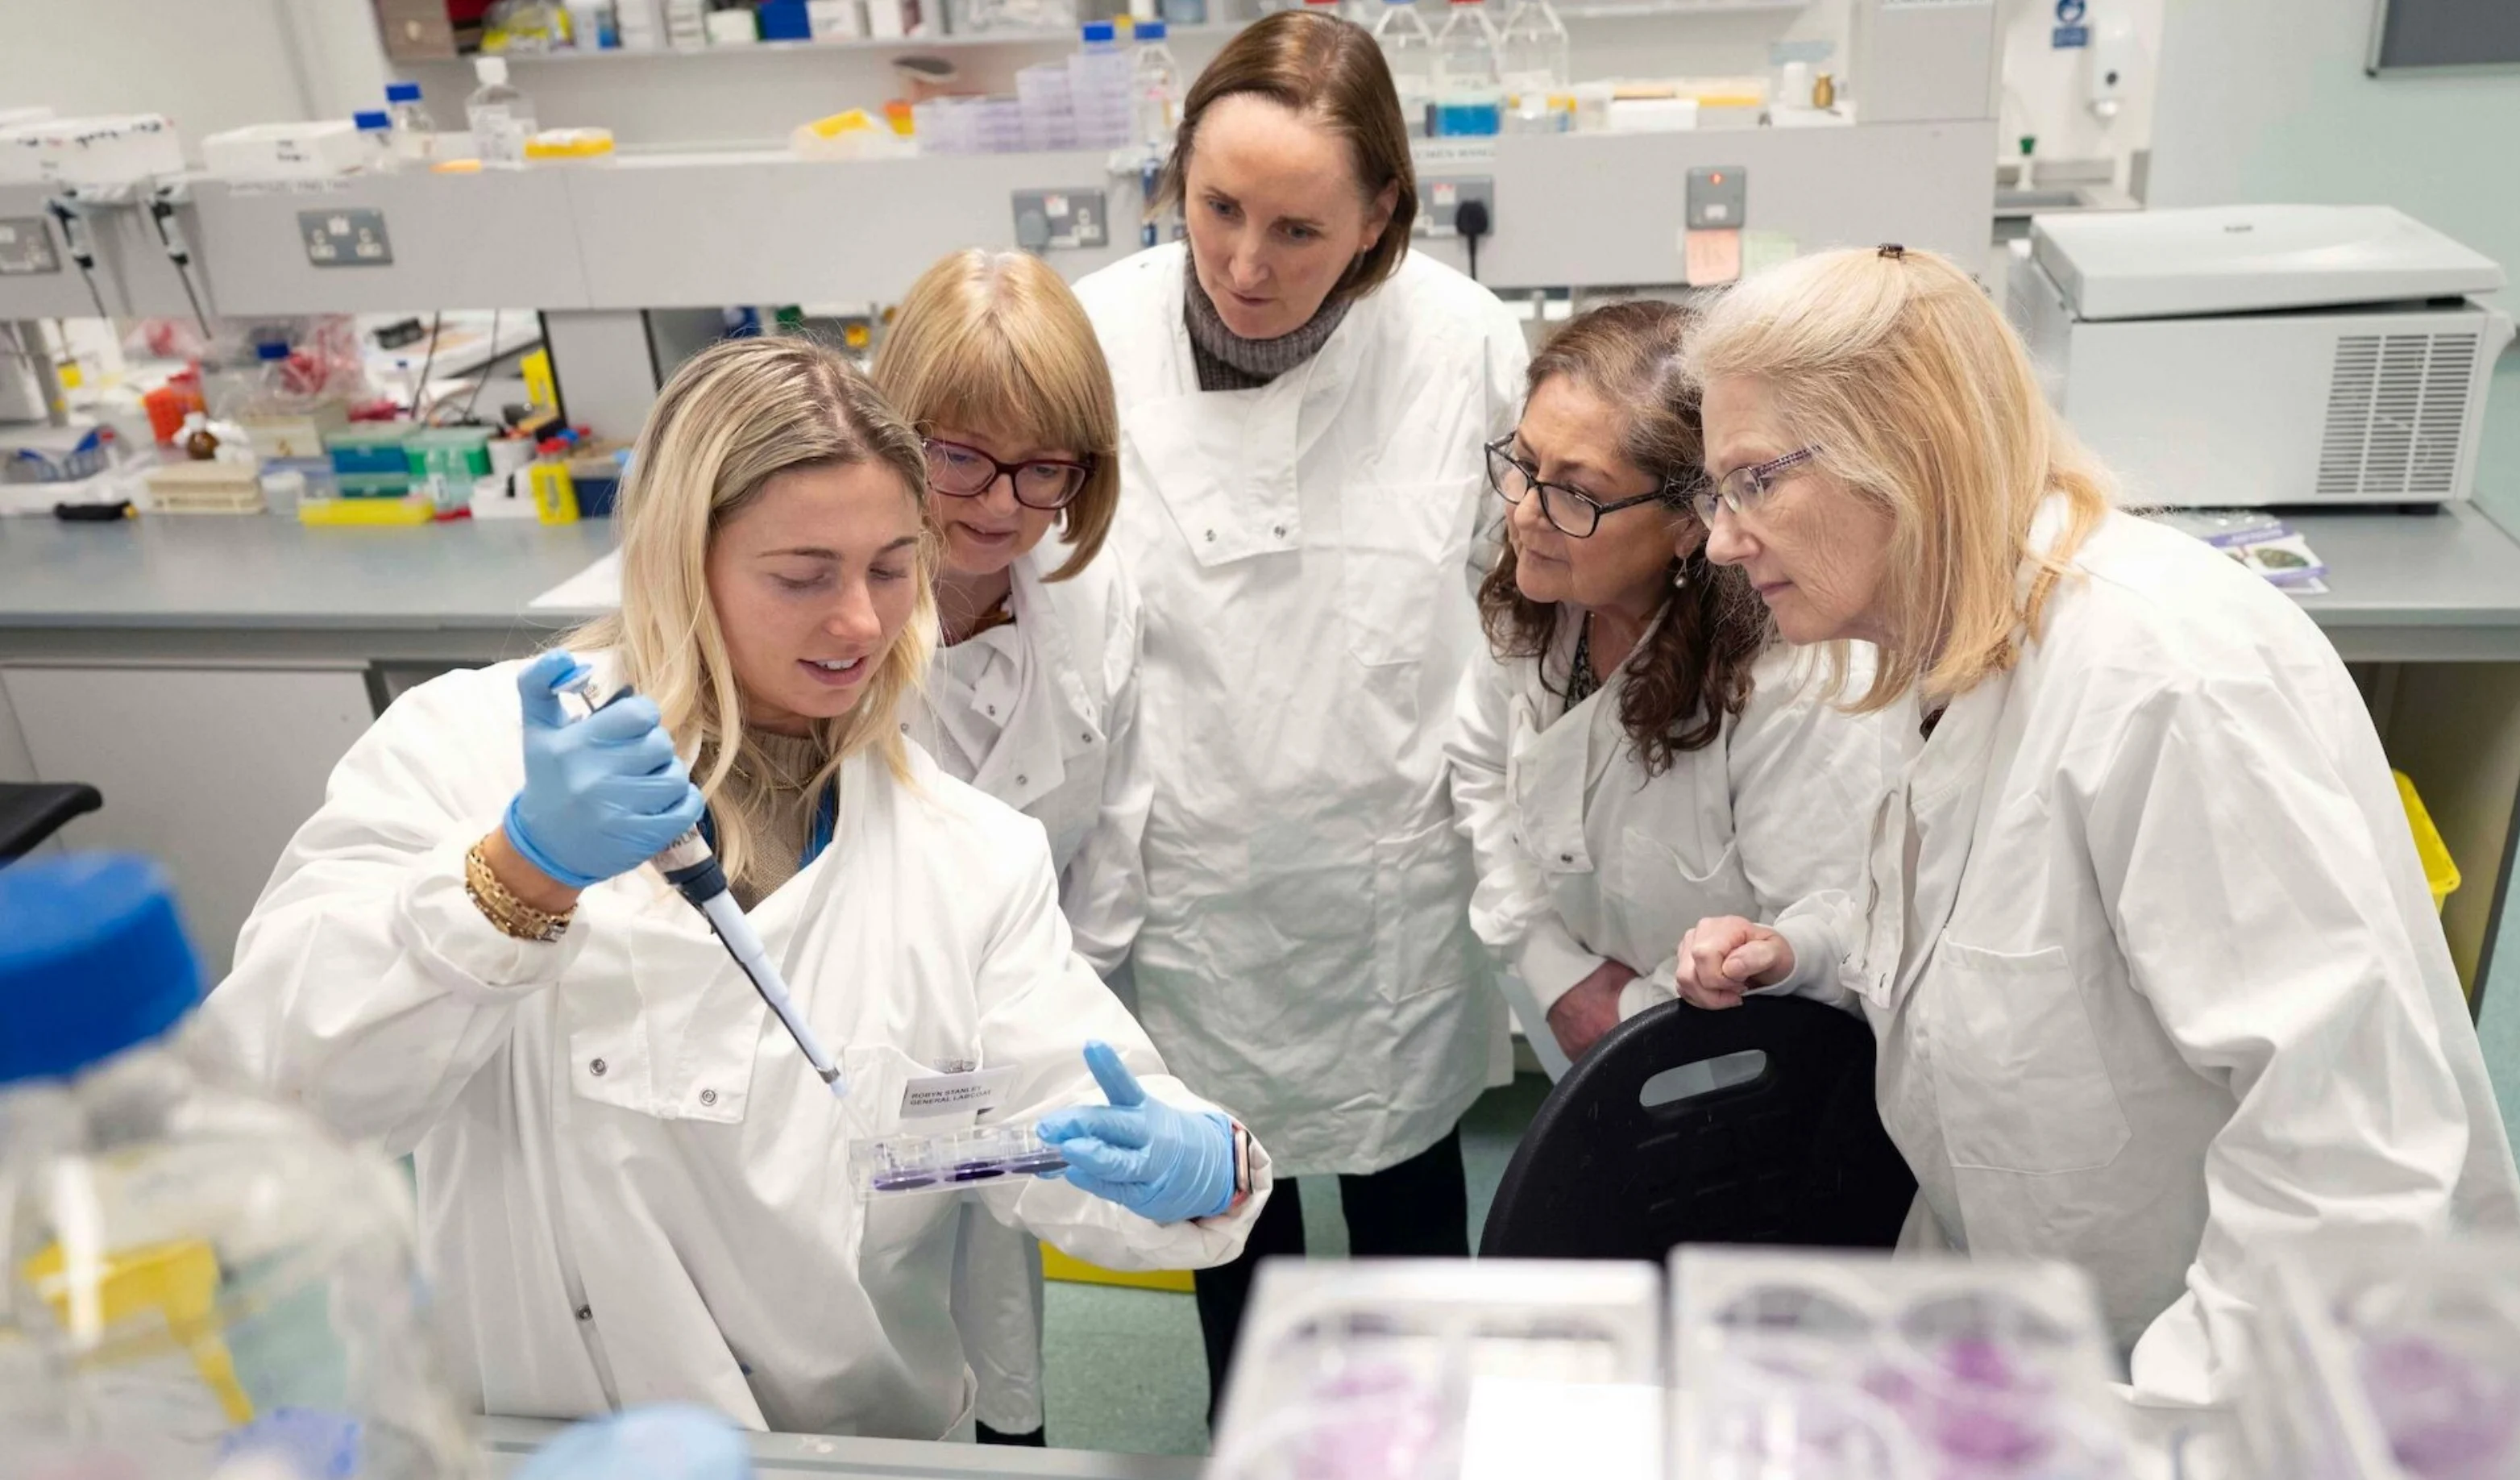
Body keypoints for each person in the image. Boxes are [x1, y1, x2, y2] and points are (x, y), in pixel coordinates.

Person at [200, 335, 1269, 1440]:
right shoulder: (465, 752)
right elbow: (270, 1095)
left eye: (895, 565)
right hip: (545, 1440)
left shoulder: (966, 856)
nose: (862, 621)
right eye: (804, 575)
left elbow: (1066, 1111)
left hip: (850, 1451)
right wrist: (514, 879)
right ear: (677, 559)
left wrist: (1198, 1167)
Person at [1670, 245, 2520, 1413]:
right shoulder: (1926, 638)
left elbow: (2348, 1159)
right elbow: (1986, 938)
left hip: (2228, 1383)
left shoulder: (2164, 681)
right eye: (1716, 494)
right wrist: (1813, 952)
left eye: (1755, 481)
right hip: (2036, 1317)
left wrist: (2168, 1428)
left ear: (1907, 450)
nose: (1721, 540)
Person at [1072, 9, 1529, 1407]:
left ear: (1382, 215)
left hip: (1391, 871)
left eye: (1297, 230)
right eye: (1216, 210)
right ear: (1174, 174)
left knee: (1405, 1215)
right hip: (1193, 882)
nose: (1244, 265)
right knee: (1230, 1218)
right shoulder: (1091, 337)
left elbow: (1521, 607)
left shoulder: (1461, 347)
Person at [870, 248, 1149, 1448]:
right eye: (962, 458)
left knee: (1006, 1319)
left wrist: (1053, 1012)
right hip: (860, 1039)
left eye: (1044, 470)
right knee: (873, 1339)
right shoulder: (839, 609)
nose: (999, 506)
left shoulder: (1092, 593)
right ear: (893, 432)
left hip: (1035, 1021)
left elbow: (1121, 821)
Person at [1447, 300, 1882, 1065]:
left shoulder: (1792, 683)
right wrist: (1559, 978)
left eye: (1575, 493)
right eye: (1521, 464)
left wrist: (1630, 1015)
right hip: (1571, 1024)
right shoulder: (1543, 599)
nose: (1523, 515)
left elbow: (1830, 936)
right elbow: (1481, 767)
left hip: (1741, 1075)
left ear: (1691, 522)